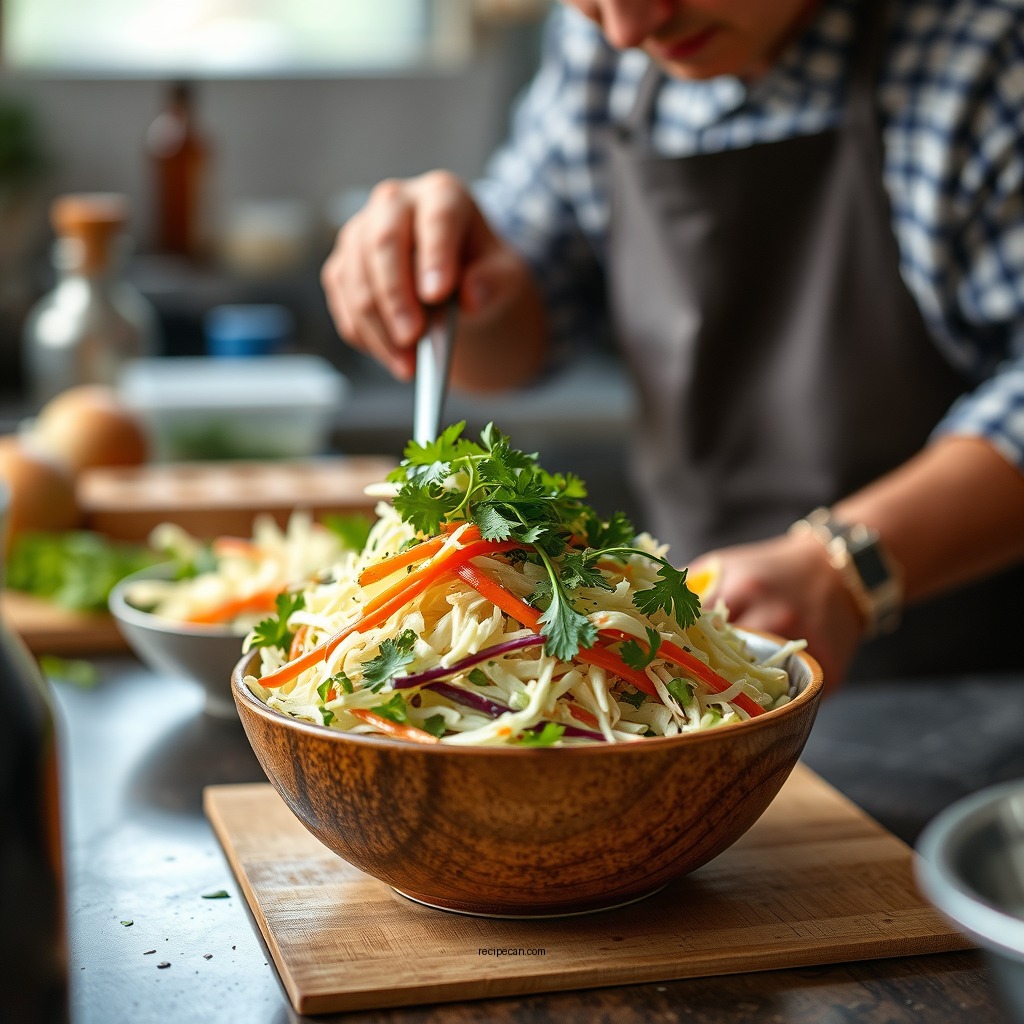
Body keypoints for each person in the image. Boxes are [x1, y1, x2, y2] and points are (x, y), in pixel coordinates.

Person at [321, 0, 1024, 688]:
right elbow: (521, 330)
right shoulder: (602, 53)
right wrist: (453, 280)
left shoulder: (982, 57)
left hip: (960, 688)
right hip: (692, 668)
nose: (628, 29)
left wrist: (846, 568)